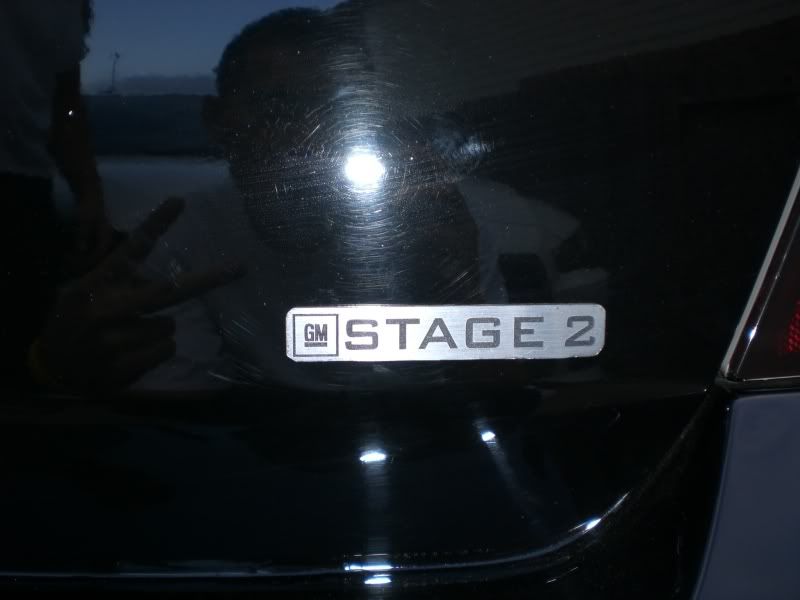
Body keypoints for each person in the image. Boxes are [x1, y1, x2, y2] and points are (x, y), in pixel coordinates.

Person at [130, 7, 496, 391]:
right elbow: (176, 400)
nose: (308, 136)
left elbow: (498, 393)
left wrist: (455, 289)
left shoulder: (437, 223)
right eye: (278, 108)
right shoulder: (177, 242)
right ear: (218, 122)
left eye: (337, 113)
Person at [1, 1, 113, 383]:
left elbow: (66, 104)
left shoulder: (65, 6)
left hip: (24, 193)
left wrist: (90, 195)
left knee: (21, 352)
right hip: (23, 191)